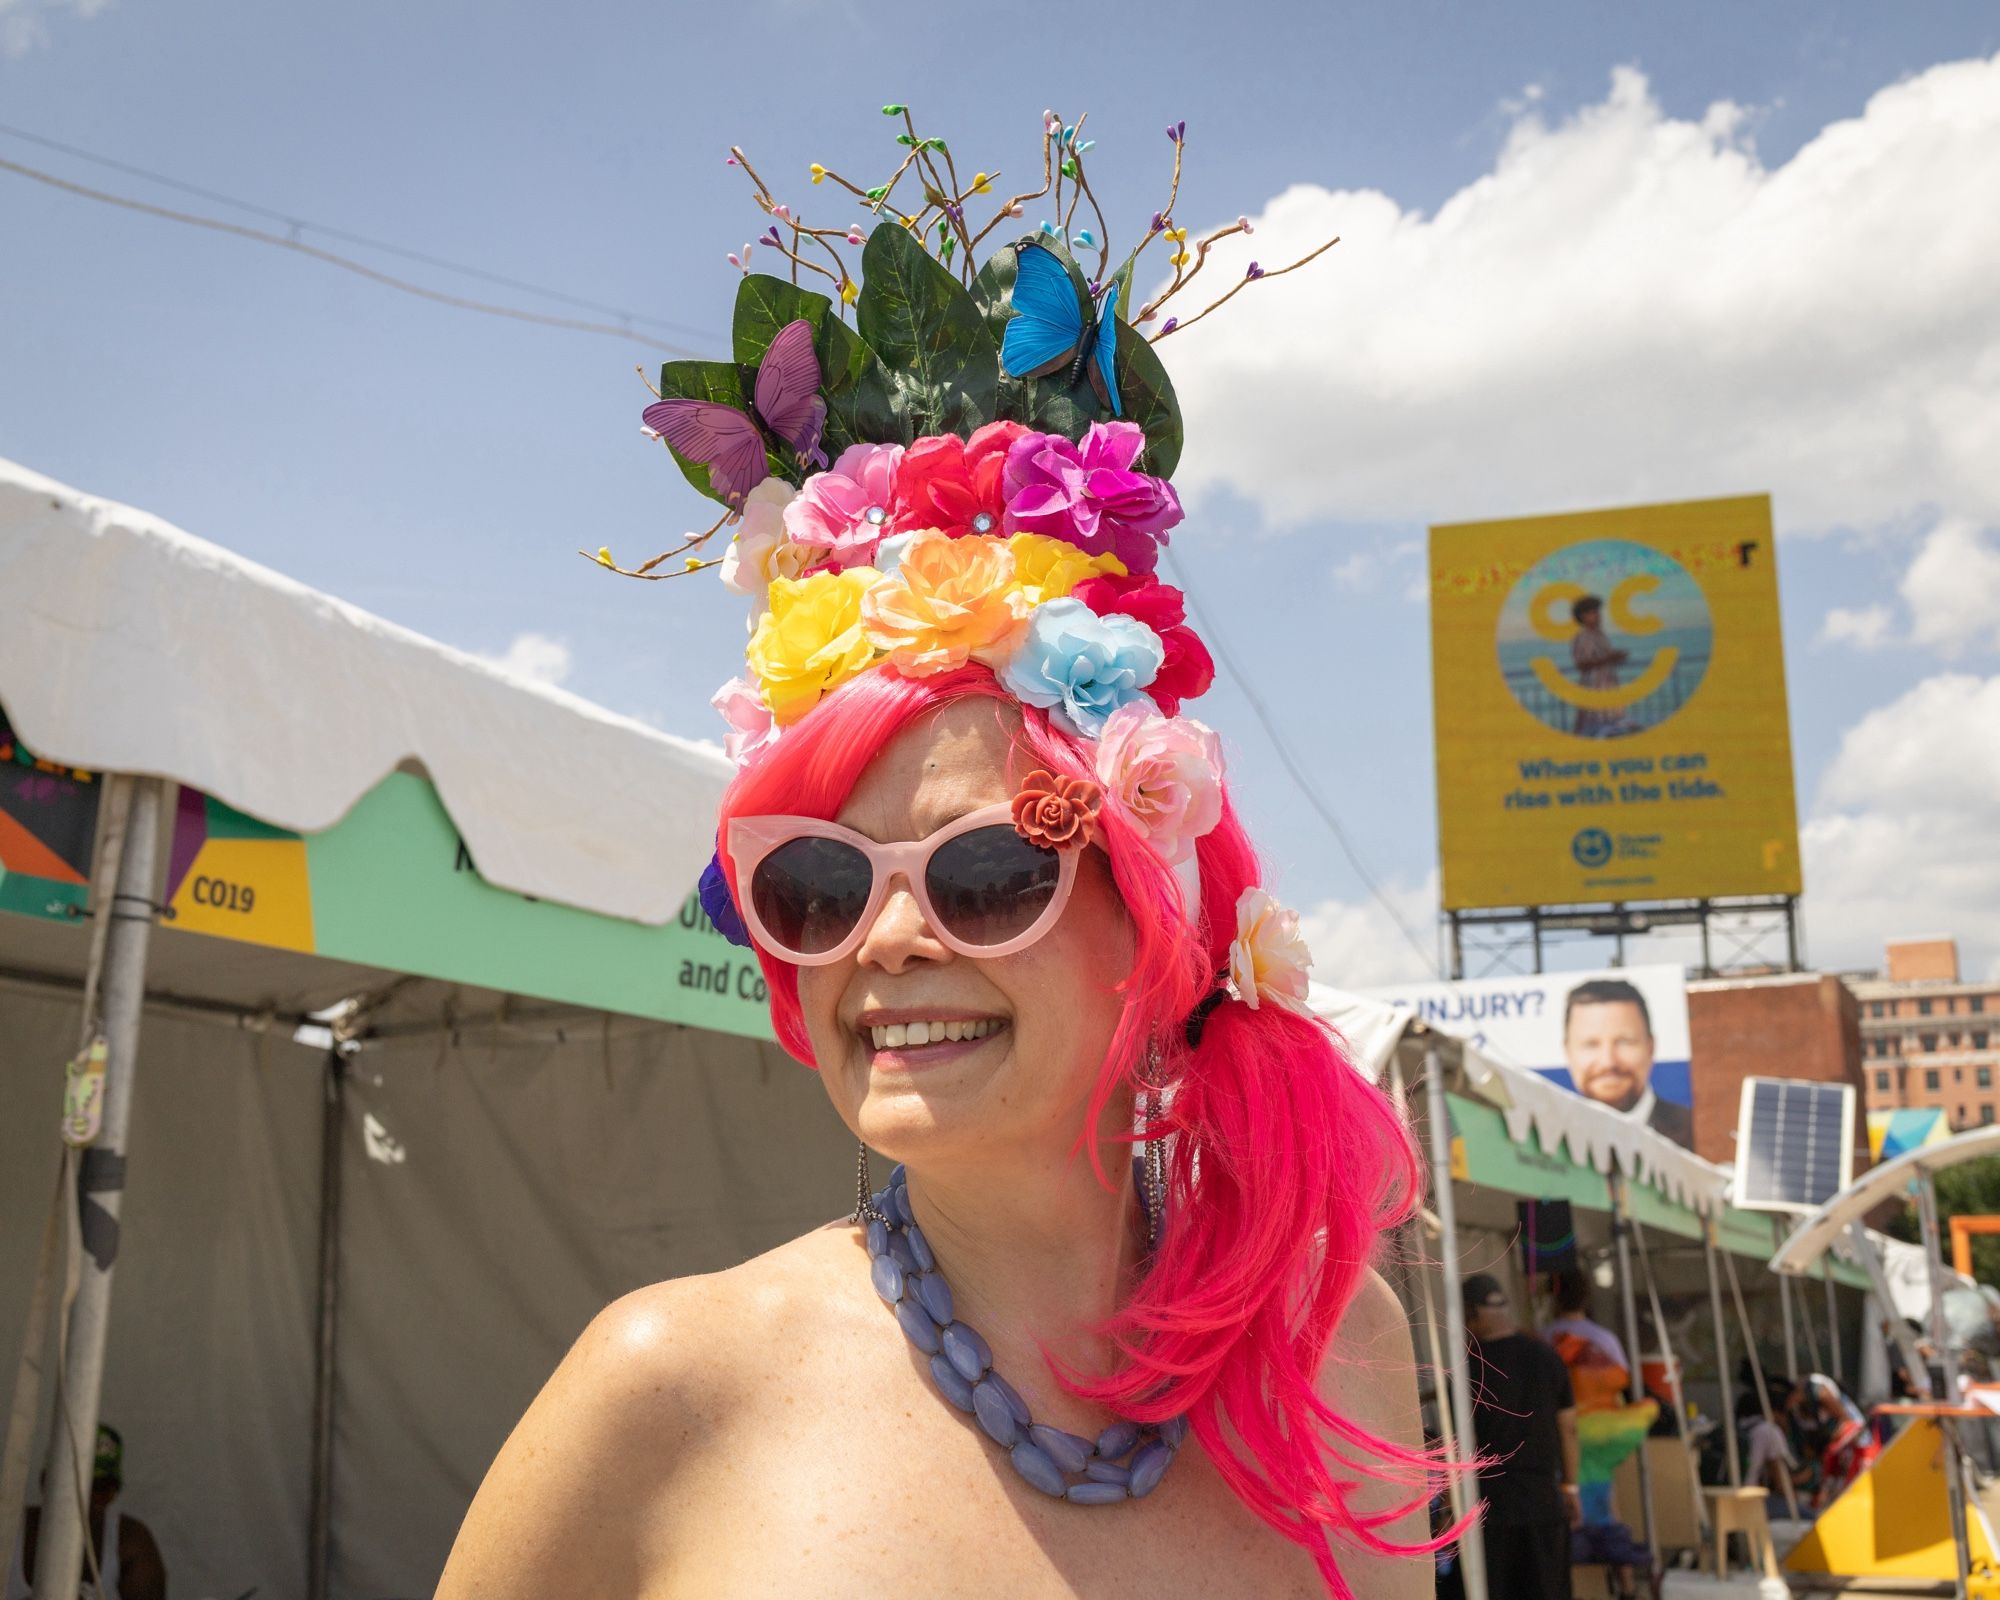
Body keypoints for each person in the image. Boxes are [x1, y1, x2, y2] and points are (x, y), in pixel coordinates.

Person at [438, 103, 1432, 1600]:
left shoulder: (1339, 1342)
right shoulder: (665, 1391)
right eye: (818, 886)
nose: (889, 941)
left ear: (1153, 904)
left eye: (984, 873)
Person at [1464, 1273, 1580, 1599]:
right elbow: (1568, 1427)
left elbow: (1461, 1442)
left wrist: (1449, 1505)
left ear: (1471, 1314)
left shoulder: (1471, 1366)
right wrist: (1570, 1486)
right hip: (1544, 1501)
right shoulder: (1547, 1356)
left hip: (1492, 1506)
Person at [7, 1425, 167, 1600]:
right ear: (45, 1482)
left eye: (100, 1488)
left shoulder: (130, 1542)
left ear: (113, 1494)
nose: (86, 1497)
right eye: (71, 1483)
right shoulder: (7, 1531)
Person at [1561, 979, 1694, 1147]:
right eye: (1591, 1045)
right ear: (1567, 1052)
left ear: (1650, 1047)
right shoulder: (1549, 1134)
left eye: (1624, 1042)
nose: (1608, 1062)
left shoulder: (1696, 1128)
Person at [1568, 595, 1629, 738]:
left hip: (1607, 684)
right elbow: (1582, 664)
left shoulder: (1599, 634)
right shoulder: (1583, 637)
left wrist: (1614, 658)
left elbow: (1600, 658)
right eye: (1593, 613)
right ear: (1583, 616)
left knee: (1610, 724)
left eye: (1597, 612)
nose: (1598, 616)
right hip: (1594, 685)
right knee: (1594, 725)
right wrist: (1609, 658)